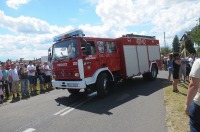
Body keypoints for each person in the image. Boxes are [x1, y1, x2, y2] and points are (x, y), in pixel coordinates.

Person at [185, 58, 200, 132]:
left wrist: (187, 105)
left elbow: (194, 86)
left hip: (198, 105)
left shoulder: (198, 62)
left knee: (195, 126)